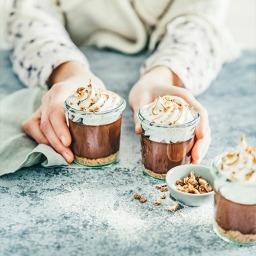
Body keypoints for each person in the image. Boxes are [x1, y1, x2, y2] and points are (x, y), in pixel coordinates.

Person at [3, 0, 237, 164]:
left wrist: (164, 75)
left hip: (165, 61)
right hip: (66, 56)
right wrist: (67, 71)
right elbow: (30, 14)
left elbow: (201, 25)